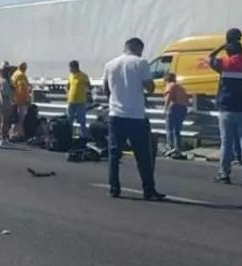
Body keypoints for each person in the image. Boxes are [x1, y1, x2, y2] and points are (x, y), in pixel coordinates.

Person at [102, 38, 166, 200]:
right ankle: (149, 190)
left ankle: (113, 188)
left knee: (114, 154)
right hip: (136, 116)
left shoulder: (110, 64)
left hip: (116, 115)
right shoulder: (141, 63)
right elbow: (149, 86)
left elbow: (105, 88)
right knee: (143, 156)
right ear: (138, 48)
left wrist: (114, 100)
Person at [208, 32, 242, 189]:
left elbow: (209, 58)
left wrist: (221, 45)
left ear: (228, 51)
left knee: (226, 142)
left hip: (227, 108)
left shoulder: (224, 63)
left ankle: (224, 174)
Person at [163, 73, 189, 157]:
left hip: (174, 107)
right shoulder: (181, 87)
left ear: (167, 80)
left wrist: (165, 108)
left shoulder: (170, 85)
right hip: (183, 108)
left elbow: (169, 96)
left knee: (169, 129)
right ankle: (178, 148)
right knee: (177, 130)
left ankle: (170, 147)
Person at [65, 60, 91, 139]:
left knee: (82, 120)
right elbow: (68, 86)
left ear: (75, 67)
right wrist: (68, 93)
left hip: (80, 101)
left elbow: (89, 86)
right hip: (71, 101)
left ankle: (84, 137)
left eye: (71, 67)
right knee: (69, 119)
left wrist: (88, 94)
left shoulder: (83, 76)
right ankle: (68, 136)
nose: (70, 69)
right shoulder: (70, 76)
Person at [0, 65, 14, 146]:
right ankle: (2, 138)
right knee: (4, 122)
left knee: (3, 121)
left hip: (3, 104)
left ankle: (3, 138)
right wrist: (12, 90)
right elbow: (6, 93)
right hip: (4, 104)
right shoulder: (4, 81)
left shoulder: (2, 80)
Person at [10, 62, 32, 140]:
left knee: (15, 118)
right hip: (20, 100)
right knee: (20, 119)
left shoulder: (15, 74)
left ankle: (13, 134)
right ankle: (17, 135)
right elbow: (22, 88)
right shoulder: (21, 75)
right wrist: (26, 99)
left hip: (14, 99)